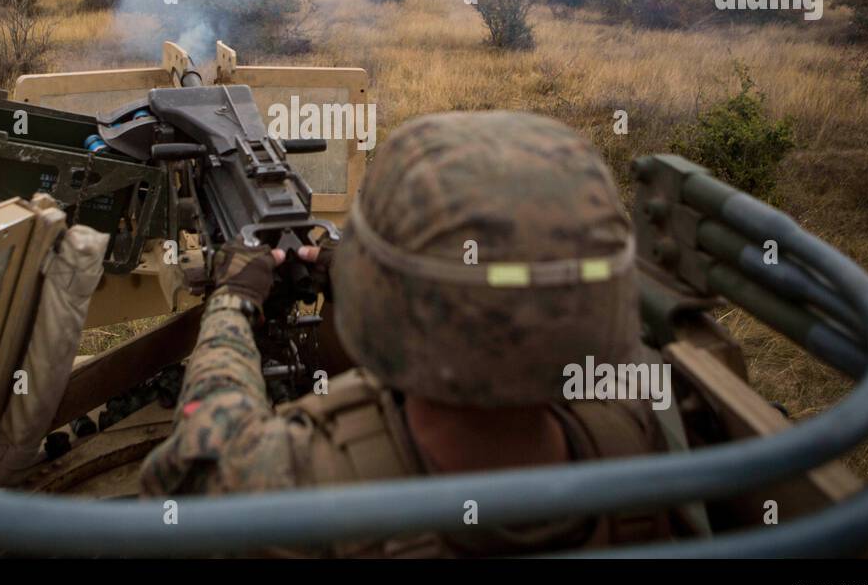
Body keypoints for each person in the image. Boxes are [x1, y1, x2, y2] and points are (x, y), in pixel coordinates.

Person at [140, 110, 676, 555]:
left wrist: (231, 302)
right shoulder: (637, 433)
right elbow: (511, 288)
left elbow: (194, 462)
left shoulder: (299, 483)